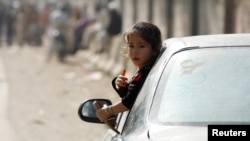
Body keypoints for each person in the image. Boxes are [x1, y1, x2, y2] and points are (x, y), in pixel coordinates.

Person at [96, 22, 162, 122]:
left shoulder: (146, 73)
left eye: (141, 46)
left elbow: (130, 102)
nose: (135, 51)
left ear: (154, 50)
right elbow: (132, 95)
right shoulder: (144, 71)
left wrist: (107, 111)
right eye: (131, 46)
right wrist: (119, 85)